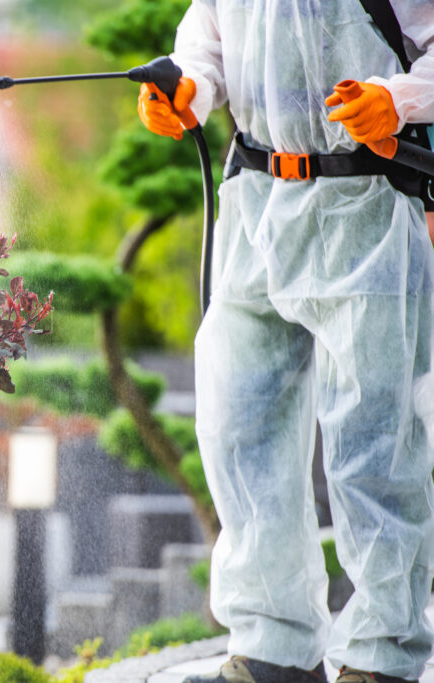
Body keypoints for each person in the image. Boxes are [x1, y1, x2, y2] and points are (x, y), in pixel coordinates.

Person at [138, 3, 434, 683]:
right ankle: (271, 648)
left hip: (365, 203)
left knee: (375, 443)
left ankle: (381, 655)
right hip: (256, 205)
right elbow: (205, 43)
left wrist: (397, 99)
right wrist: (185, 90)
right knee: (241, 427)